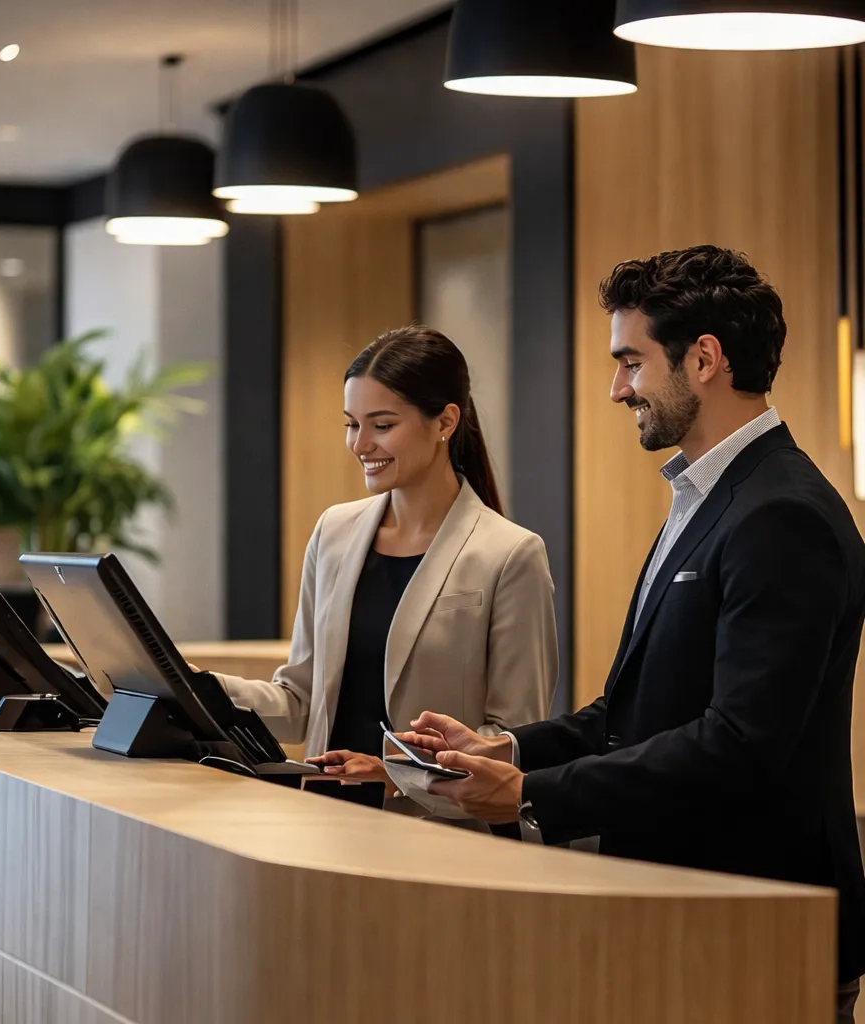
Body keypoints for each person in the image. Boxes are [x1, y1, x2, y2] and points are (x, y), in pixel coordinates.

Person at [398, 247, 865, 1020]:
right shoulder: (706, 495)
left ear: (705, 360)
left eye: (631, 363)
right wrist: (505, 751)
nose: (617, 388)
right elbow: (638, 709)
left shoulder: (783, 514)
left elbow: (740, 742)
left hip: (759, 924)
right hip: (685, 913)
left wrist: (530, 795)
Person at [213, 324, 558, 796]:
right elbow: (299, 703)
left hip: (434, 834)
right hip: (323, 817)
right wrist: (192, 683)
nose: (360, 445)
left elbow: (513, 740)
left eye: (382, 425)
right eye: (351, 425)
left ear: (445, 422)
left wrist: (395, 773)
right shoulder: (333, 532)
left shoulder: (510, 554)